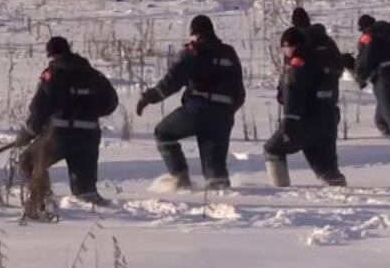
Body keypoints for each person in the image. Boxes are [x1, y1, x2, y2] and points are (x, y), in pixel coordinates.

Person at [136, 15, 245, 190]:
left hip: (198, 109)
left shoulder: (194, 52)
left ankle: (180, 179)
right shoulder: (229, 53)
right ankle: (221, 197)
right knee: (215, 169)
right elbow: (240, 92)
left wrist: (149, 97)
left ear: (194, 33)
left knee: (163, 133)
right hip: (223, 114)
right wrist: (226, 113)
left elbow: (171, 82)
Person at [16, 37, 119, 208]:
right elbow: (111, 103)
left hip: (60, 136)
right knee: (85, 194)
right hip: (89, 137)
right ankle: (98, 216)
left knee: (28, 160)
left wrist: (27, 134)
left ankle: (43, 198)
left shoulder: (52, 74)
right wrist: (90, 114)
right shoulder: (93, 74)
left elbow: (39, 109)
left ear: (51, 54)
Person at [264, 28, 347, 188]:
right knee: (327, 171)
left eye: (287, 48)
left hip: (304, 122)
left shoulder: (297, 67)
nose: (286, 53)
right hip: (328, 120)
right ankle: (343, 198)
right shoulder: (324, 63)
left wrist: (289, 125)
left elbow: (292, 97)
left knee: (272, 149)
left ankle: (280, 192)